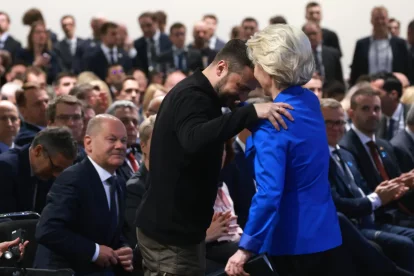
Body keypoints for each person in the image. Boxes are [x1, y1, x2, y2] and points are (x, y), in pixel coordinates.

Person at [135, 38, 294, 276]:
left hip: (181, 232)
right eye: (241, 88)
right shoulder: (193, 96)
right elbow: (194, 138)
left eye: (248, 92)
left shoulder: (205, 95)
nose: (242, 97)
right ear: (221, 68)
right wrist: (250, 113)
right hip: (172, 238)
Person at [225, 24, 344, 276]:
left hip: (292, 241)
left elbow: (269, 194)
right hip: (326, 233)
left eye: (256, 63)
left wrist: (245, 249)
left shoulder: (274, 123)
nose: (254, 71)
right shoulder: (310, 101)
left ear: (268, 69)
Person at [34, 115, 133, 275]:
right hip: (65, 271)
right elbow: (48, 230)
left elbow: (110, 230)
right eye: (112, 139)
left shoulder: (119, 183)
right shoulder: (73, 178)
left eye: (123, 140)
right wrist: (94, 251)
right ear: (88, 143)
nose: (120, 146)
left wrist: (123, 248)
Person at [0, 127, 77, 213]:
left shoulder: (47, 172)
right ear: (38, 151)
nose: (57, 175)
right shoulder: (5, 168)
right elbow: (6, 220)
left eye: (63, 170)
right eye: (56, 167)